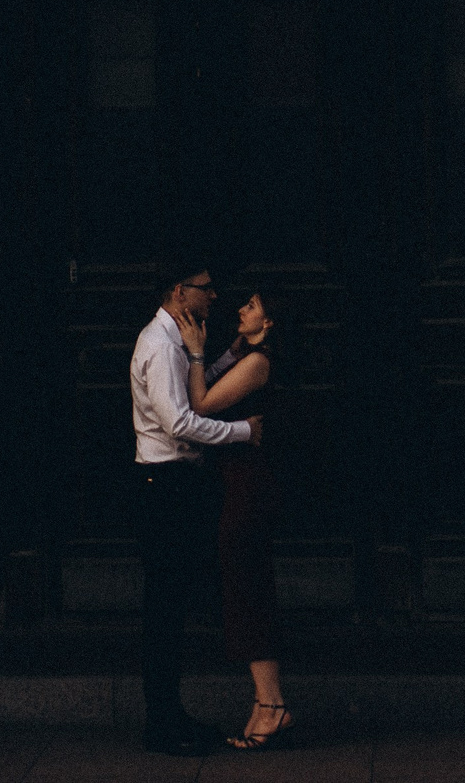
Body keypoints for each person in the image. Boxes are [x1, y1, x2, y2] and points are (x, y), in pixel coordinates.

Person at [129, 259, 261, 756]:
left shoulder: (179, 341)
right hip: (163, 485)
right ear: (179, 291)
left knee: (173, 605)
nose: (214, 296)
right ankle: (160, 725)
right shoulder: (160, 346)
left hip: (174, 485)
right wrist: (244, 432)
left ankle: (171, 715)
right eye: (206, 288)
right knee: (164, 609)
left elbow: (198, 385)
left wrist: (221, 353)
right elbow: (180, 422)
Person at [179, 286, 292, 751]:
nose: (241, 309)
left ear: (269, 323)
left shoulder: (259, 362)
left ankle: (273, 703)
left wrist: (196, 353)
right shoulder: (241, 351)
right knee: (240, 581)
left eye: (253, 306)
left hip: (250, 485)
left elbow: (201, 404)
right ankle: (266, 702)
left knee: (246, 581)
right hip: (234, 482)